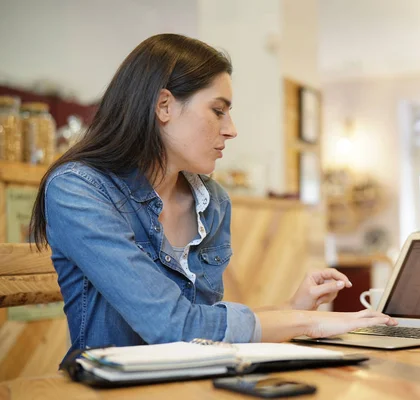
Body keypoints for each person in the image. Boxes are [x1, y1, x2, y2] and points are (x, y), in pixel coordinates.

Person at [30, 34, 397, 356]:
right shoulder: (77, 189)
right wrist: (307, 323)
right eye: (218, 111)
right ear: (164, 106)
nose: (232, 130)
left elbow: (203, 327)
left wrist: (293, 306)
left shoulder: (211, 200)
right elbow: (173, 326)